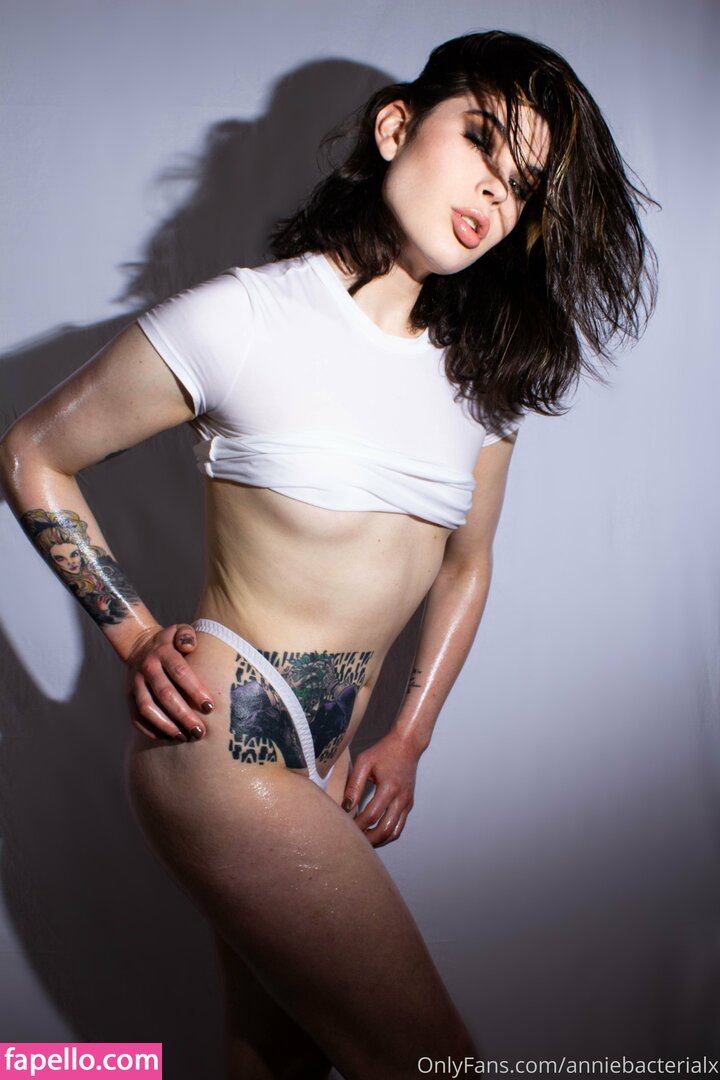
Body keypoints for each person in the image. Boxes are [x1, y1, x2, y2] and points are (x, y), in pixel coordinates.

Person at [0, 29, 656, 1080]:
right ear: (397, 126)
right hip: (224, 741)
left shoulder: (480, 386)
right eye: (481, 140)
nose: (496, 190)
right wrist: (133, 636)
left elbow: (467, 564)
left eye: (526, 185)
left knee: (277, 1060)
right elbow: (32, 451)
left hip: (329, 759)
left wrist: (410, 736)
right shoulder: (247, 318)